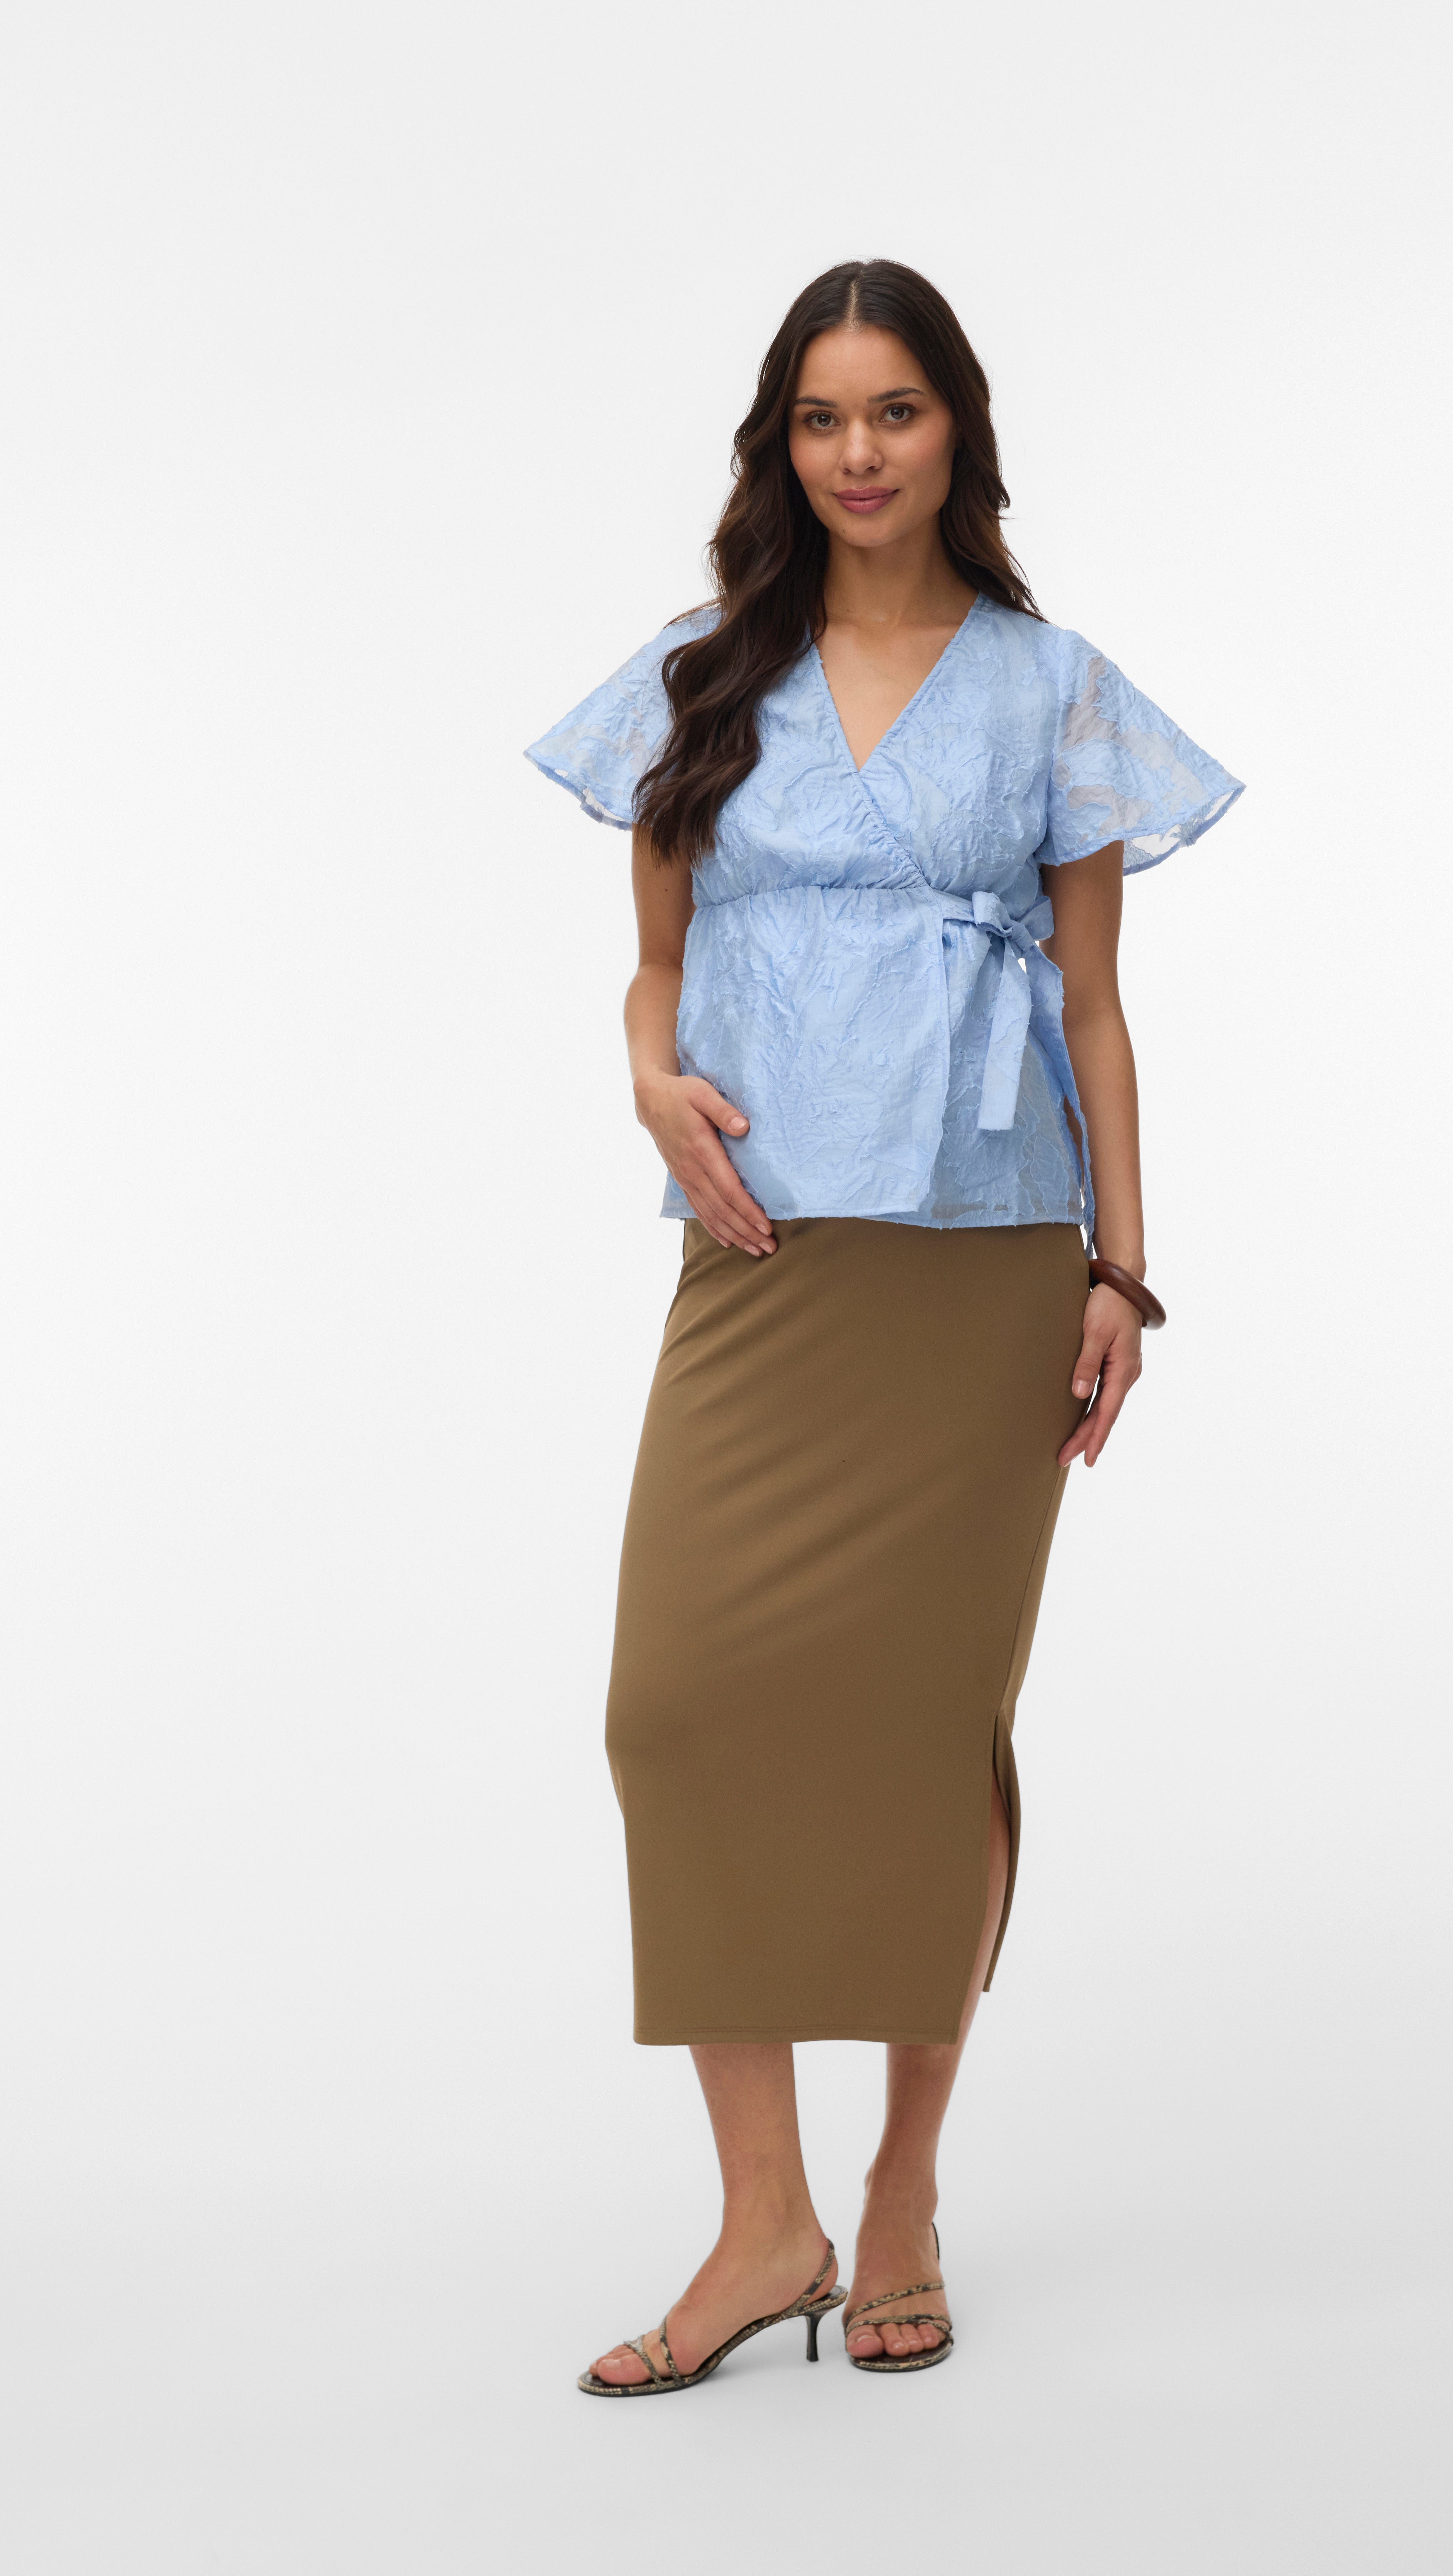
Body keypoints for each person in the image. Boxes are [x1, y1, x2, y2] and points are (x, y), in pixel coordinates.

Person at [527, 259, 1241, 2394]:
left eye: (897, 411)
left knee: (930, 1739)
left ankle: (904, 2193)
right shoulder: (700, 677)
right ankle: (765, 2220)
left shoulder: (1052, 689)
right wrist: (646, 1078)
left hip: (985, 1263)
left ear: (958, 431)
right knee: (675, 1708)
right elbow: (655, 968)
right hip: (761, 1260)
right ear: (783, 441)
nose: (859, 452)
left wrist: (1122, 1268)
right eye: (823, 417)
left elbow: (1096, 1008)